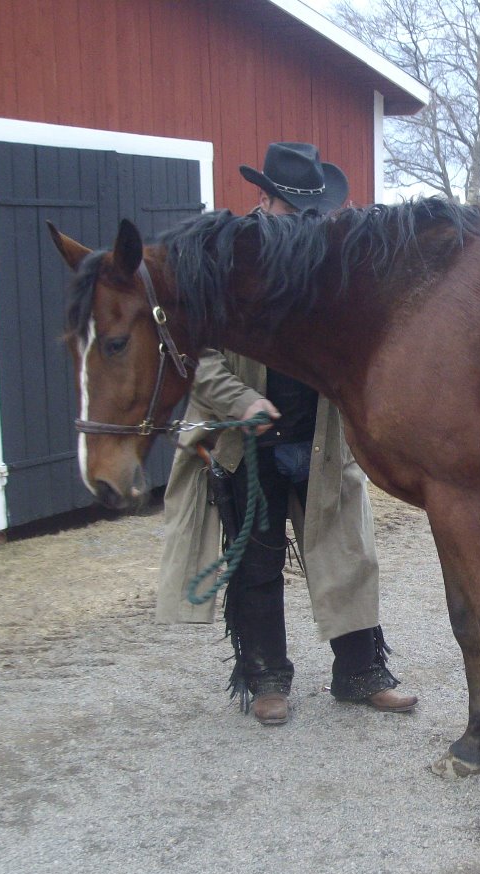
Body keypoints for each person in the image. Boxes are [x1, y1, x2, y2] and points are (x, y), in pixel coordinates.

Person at [156, 142, 417, 725]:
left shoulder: (333, 265)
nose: (302, 222)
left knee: (348, 554)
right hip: (244, 441)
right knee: (255, 562)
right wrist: (241, 400)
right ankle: (266, 678)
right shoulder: (221, 262)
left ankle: (361, 673)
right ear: (263, 199)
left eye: (310, 213)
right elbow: (193, 354)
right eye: (291, 210)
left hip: (321, 438)